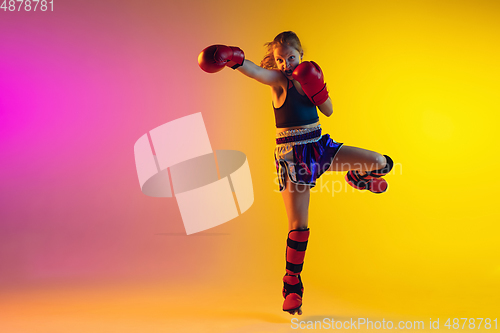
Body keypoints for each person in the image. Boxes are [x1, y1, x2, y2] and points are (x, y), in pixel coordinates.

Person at [198, 31, 393, 315]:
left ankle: (357, 178)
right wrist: (233, 58)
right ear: (275, 62)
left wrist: (316, 86)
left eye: (291, 57)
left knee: (381, 162)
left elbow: (328, 111)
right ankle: (292, 285)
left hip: (318, 147)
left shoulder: (307, 77)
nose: (286, 64)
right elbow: (254, 71)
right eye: (280, 60)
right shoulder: (278, 81)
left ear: (300, 55)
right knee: (298, 225)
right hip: (292, 158)